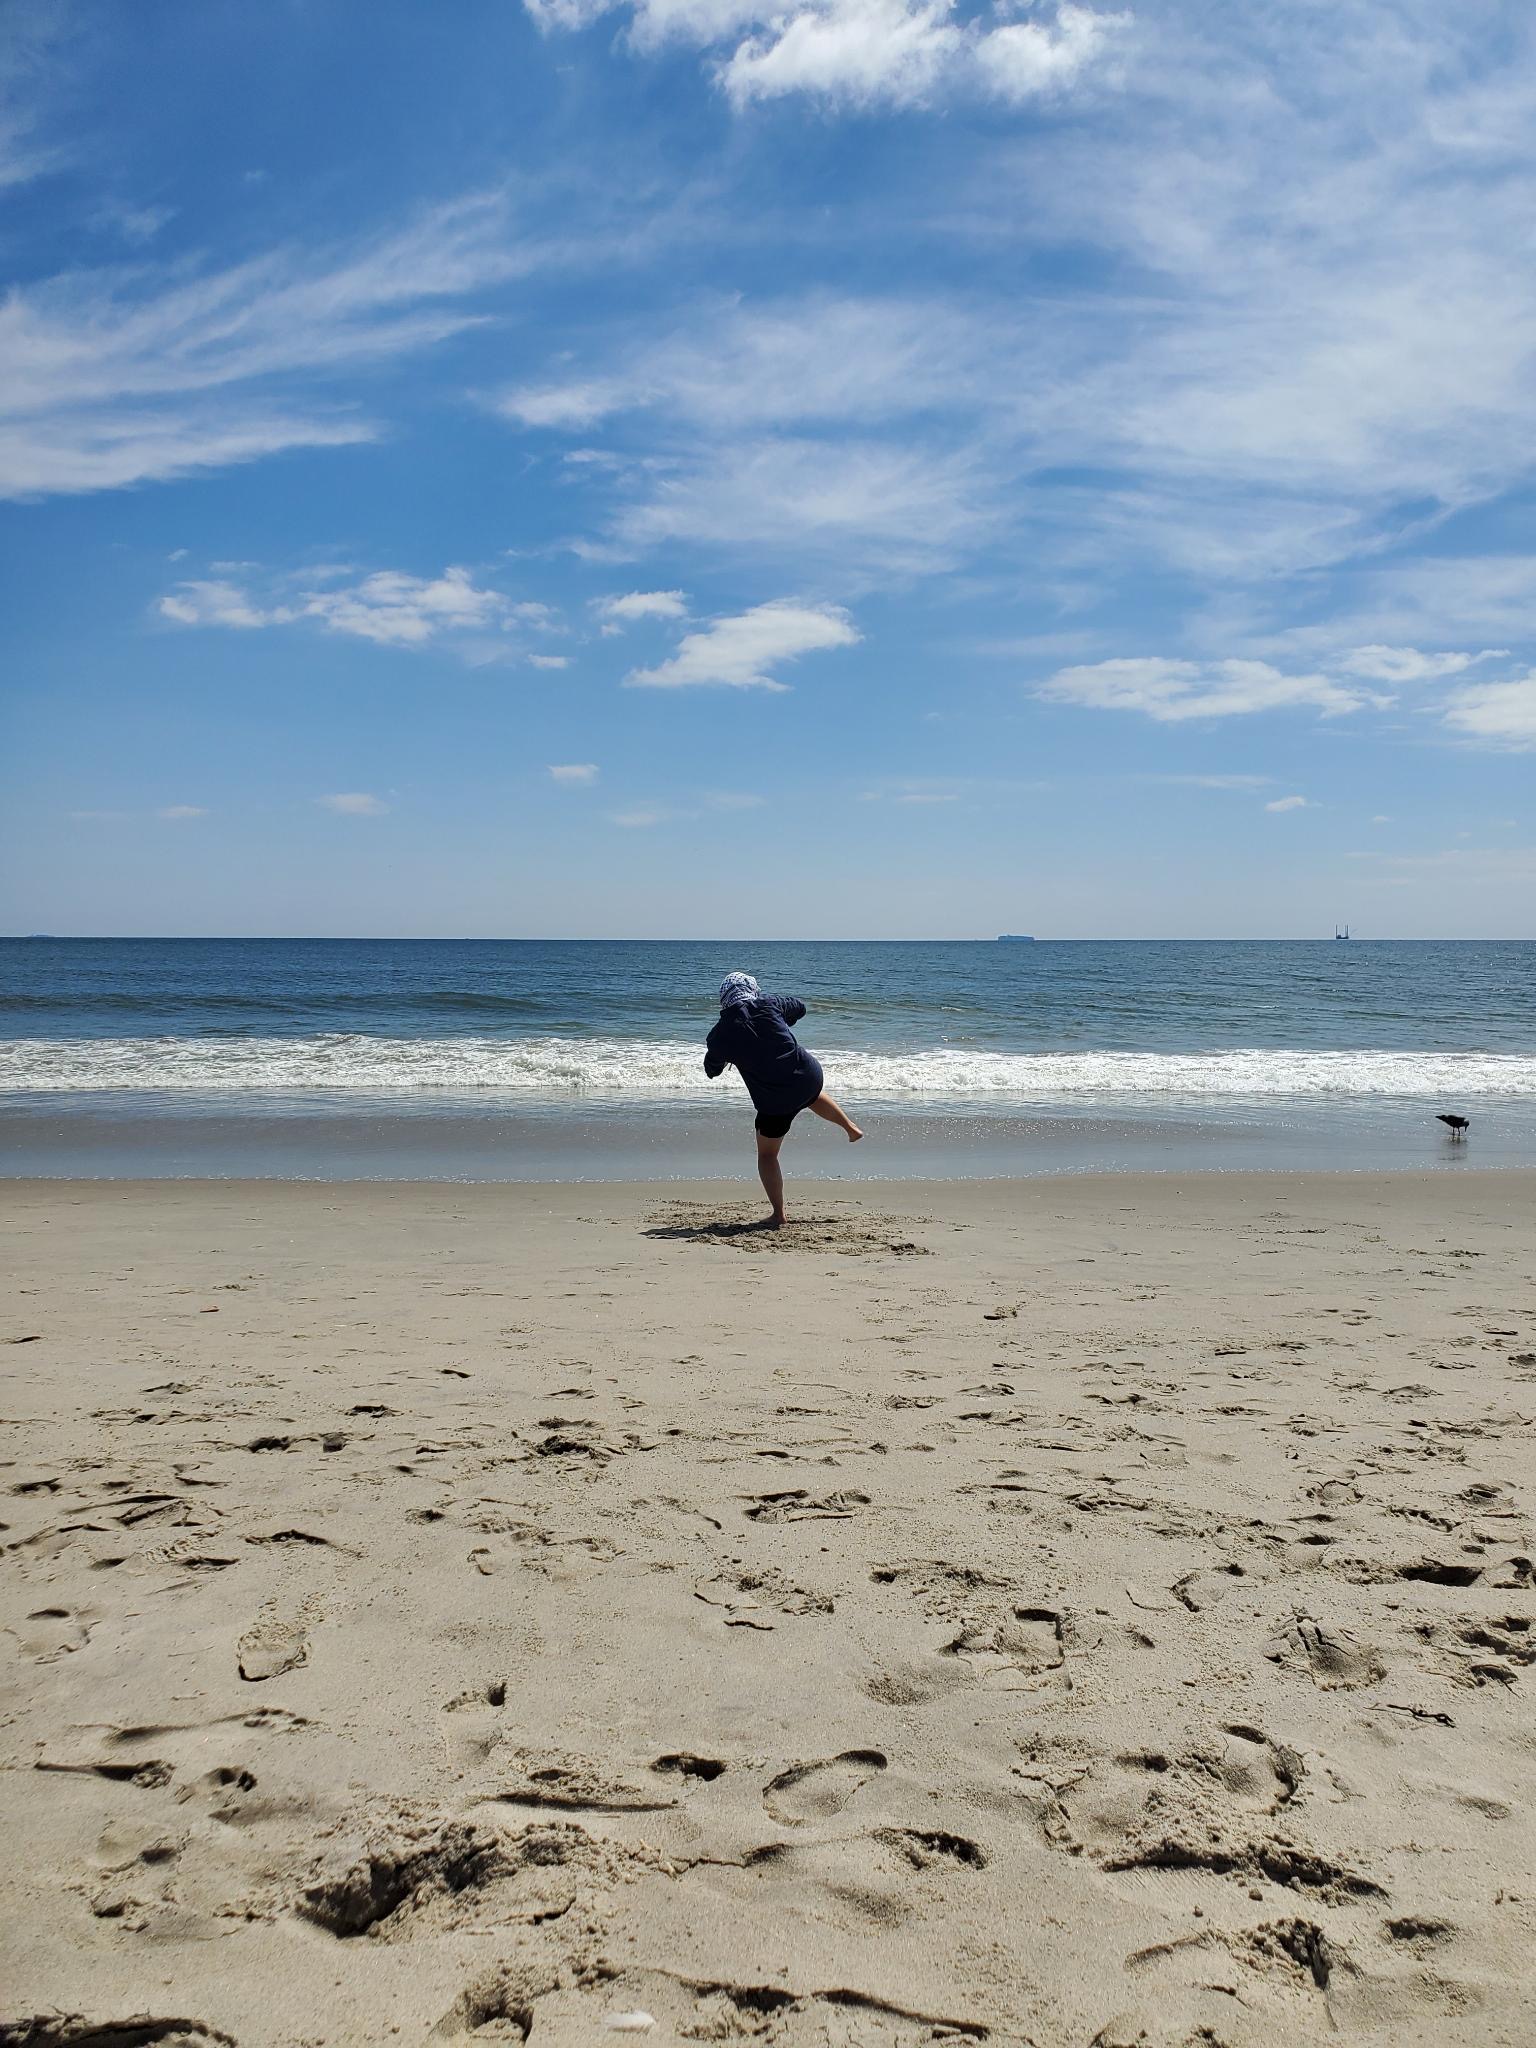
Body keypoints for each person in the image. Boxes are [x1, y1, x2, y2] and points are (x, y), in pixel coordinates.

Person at [704, 972, 862, 1226]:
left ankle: (778, 1215)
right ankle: (850, 1127)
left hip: (773, 1102)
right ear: (753, 990)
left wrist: (725, 1056)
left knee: (767, 1156)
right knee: (808, 1094)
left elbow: (712, 1070)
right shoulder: (769, 1005)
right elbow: (799, 1007)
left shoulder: (720, 1035)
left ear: (724, 999)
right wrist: (777, 1019)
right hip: (808, 1076)